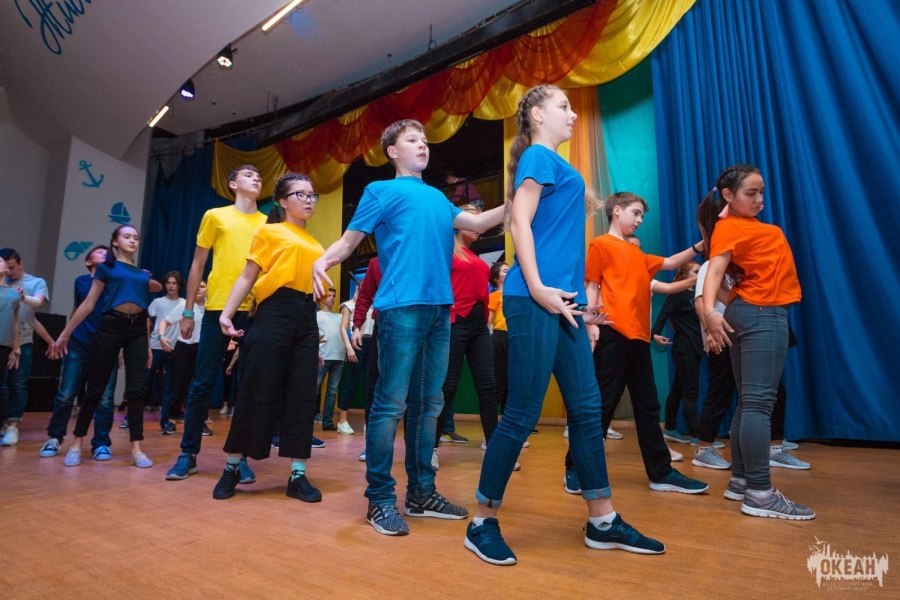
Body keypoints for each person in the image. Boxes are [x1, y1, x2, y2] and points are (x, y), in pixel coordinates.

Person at [465, 85, 664, 566]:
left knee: (588, 409)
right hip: (535, 299)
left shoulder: (555, 163)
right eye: (563, 107)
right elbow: (520, 223)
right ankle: (482, 521)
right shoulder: (537, 156)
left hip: (565, 302)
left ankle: (602, 520)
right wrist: (537, 287)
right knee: (522, 413)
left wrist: (580, 305)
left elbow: (554, 235)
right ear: (536, 115)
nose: (573, 114)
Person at [312, 119, 504, 536]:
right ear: (392, 151)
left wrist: (522, 197)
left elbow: (475, 224)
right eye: (412, 139)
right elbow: (349, 242)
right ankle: (380, 500)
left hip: (440, 310)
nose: (422, 145)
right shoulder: (379, 191)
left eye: (425, 140)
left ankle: (421, 493)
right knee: (389, 405)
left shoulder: (437, 197)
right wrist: (322, 260)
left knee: (430, 402)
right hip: (400, 308)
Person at [575, 191, 708, 496]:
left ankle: (661, 472)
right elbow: (592, 285)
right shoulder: (600, 244)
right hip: (612, 334)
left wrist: (699, 246)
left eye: (642, 216)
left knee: (648, 407)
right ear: (616, 211)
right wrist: (590, 325)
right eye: (635, 213)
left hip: (639, 338)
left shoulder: (638, 254)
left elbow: (671, 262)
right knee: (602, 405)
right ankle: (576, 468)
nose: (639, 220)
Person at [700, 163, 814, 520]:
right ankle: (761, 493)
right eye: (751, 193)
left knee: (749, 404)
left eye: (762, 192)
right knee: (758, 405)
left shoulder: (747, 227)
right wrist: (708, 312)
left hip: (750, 311)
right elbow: (714, 271)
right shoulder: (729, 227)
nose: (759, 199)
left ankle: (741, 481)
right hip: (762, 313)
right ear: (728, 195)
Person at [212, 173, 324, 503]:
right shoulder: (269, 231)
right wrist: (226, 314)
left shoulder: (314, 242)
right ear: (282, 201)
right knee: (255, 390)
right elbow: (248, 276)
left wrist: (313, 332)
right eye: (301, 194)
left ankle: (297, 476)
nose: (309, 200)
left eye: (312, 195)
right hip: (274, 313)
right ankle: (232, 467)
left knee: (303, 396)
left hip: (306, 316)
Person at [166, 165, 267, 481]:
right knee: (203, 382)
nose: (256, 178)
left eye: (259, 176)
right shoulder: (215, 216)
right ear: (233, 184)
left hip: (254, 311)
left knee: (248, 386)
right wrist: (187, 311)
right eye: (249, 175)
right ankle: (188, 454)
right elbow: (197, 265)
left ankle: (239, 457)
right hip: (216, 308)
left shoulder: (269, 222)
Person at [49, 225, 162, 468]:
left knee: (136, 390)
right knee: (96, 388)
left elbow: (148, 305)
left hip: (137, 330)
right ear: (115, 242)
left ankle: (137, 450)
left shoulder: (142, 274)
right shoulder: (106, 268)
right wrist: (65, 334)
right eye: (127, 236)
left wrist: (148, 345)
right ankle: (77, 444)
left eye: (136, 237)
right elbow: (88, 304)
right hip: (110, 326)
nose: (132, 240)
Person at [434, 204, 499, 470]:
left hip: (478, 325)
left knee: (488, 387)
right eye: (471, 219)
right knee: (447, 387)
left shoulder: (477, 258)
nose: (478, 226)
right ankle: (431, 448)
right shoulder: (445, 251)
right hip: (454, 322)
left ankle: (495, 448)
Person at [38, 246, 118, 460]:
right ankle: (55, 437)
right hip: (79, 343)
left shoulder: (115, 281)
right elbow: (77, 309)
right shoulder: (81, 281)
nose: (104, 253)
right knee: (66, 394)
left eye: (107, 253)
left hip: (107, 345)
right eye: (99, 252)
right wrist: (65, 335)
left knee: (105, 398)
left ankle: (101, 443)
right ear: (88, 262)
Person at [0, 248, 49, 446]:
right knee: (3, 385)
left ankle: (13, 425)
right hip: (3, 340)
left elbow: (36, 304)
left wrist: (22, 297)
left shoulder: (36, 282)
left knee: (18, 384)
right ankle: (3, 422)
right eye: (6, 267)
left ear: (20, 264)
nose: (9, 271)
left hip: (22, 340)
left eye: (12, 267)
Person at [651, 262, 704, 444]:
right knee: (690, 392)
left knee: (678, 389)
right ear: (685, 275)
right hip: (684, 348)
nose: (699, 274)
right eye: (696, 272)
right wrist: (655, 334)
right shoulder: (678, 294)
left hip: (694, 348)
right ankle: (697, 436)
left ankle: (670, 428)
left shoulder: (697, 295)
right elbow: (663, 314)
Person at [158, 280, 207, 435]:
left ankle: (200, 422)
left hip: (204, 350)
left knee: (202, 387)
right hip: (185, 349)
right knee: (179, 386)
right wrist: (161, 336)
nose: (199, 289)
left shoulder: (211, 307)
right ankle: (172, 421)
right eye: (196, 286)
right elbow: (164, 321)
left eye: (202, 287)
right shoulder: (185, 306)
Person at [143, 271, 184, 420]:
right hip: (156, 346)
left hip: (175, 348)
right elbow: (147, 320)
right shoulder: (158, 302)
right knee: (144, 382)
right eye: (168, 283)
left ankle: (166, 421)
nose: (171, 286)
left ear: (179, 286)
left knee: (169, 387)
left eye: (174, 283)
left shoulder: (184, 303)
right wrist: (148, 343)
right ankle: (130, 418)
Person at [336, 285, 374, 435]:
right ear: (357, 289)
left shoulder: (373, 306)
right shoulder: (349, 305)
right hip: (356, 343)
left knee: (370, 384)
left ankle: (369, 422)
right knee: (352, 382)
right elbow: (343, 328)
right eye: (361, 289)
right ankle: (342, 420)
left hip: (372, 343)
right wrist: (349, 347)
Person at [316, 287, 346, 431]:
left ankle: (327, 422)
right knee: (315, 387)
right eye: (329, 295)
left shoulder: (339, 317)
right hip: (323, 355)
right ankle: (308, 417)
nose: (332, 298)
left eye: (334, 295)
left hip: (339, 356)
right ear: (322, 298)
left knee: (332, 391)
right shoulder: (317, 315)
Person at [0, 259, 20, 428]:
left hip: (3, 343)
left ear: (7, 269)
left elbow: (14, 321)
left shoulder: (14, 294)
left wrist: (16, 347)